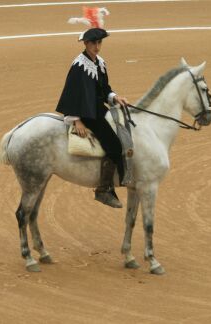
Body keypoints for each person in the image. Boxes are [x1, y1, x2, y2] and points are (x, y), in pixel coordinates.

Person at [56, 27, 129, 208]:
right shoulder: (79, 65)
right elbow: (71, 93)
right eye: (94, 43)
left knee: (123, 126)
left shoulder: (100, 62)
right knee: (114, 145)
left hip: (98, 108)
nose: (97, 46)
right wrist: (77, 120)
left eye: (99, 43)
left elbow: (104, 89)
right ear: (86, 44)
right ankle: (103, 189)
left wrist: (114, 97)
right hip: (87, 113)